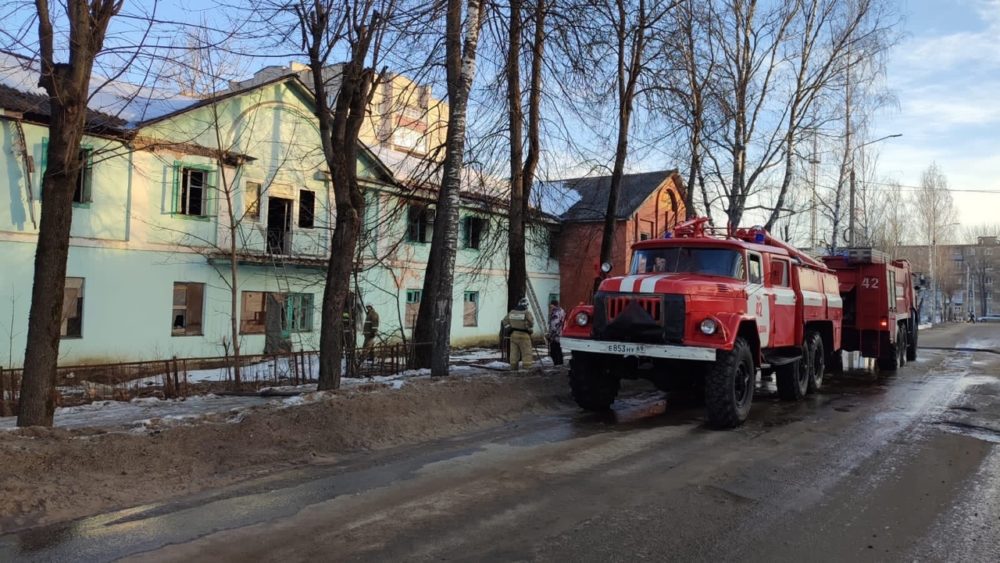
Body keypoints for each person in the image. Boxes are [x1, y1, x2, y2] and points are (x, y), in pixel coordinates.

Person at [503, 297, 534, 370]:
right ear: (526, 305)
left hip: (514, 335)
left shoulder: (512, 312)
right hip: (524, 335)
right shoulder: (526, 313)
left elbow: (504, 321)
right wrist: (528, 327)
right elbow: (531, 323)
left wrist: (509, 329)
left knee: (514, 352)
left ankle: (513, 367)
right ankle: (527, 367)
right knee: (526, 352)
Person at [548, 299, 566, 366]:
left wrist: (551, 334)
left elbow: (554, 324)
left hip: (555, 335)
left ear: (553, 305)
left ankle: (557, 363)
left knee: (554, 351)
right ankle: (559, 363)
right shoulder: (561, 311)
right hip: (559, 333)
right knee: (558, 349)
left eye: (551, 305)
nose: (550, 307)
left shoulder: (556, 312)